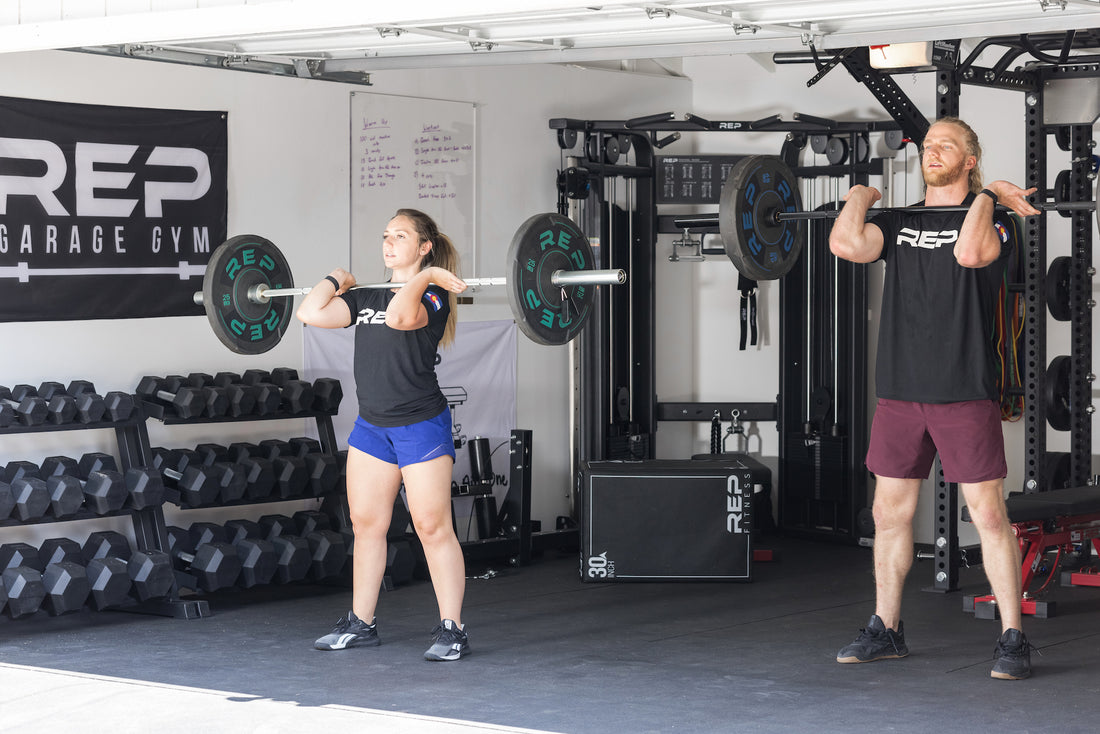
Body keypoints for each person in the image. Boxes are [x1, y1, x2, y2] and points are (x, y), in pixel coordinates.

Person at [828, 117, 1041, 680]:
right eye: (927, 146)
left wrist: (992, 194)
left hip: (963, 389)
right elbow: (846, 242)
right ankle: (886, 628)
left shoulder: (995, 221)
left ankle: (1014, 638)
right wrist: (862, 193)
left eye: (947, 145)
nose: (933, 151)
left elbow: (971, 255)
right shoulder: (897, 221)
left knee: (989, 516)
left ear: (971, 160)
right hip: (900, 390)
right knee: (888, 513)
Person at [296, 208, 471, 661]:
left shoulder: (434, 296)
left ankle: (452, 629)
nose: (388, 243)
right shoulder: (367, 295)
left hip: (419, 424)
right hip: (372, 427)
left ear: (424, 246)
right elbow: (309, 312)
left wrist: (430, 274)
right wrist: (335, 280)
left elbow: (398, 317)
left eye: (400, 236)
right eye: (386, 236)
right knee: (367, 524)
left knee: (432, 527)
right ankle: (361, 622)